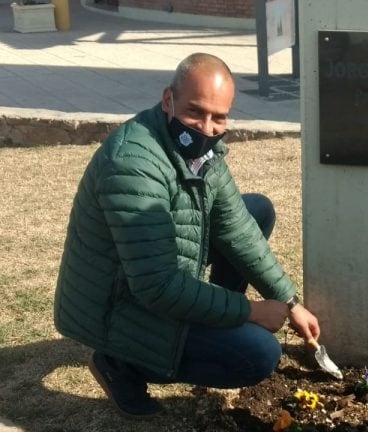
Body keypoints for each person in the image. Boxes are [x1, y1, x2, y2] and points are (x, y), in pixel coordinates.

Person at [53, 52, 320, 419]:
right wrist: (250, 312)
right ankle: (122, 364)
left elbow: (238, 227)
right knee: (258, 354)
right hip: (119, 304)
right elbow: (156, 285)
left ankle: (205, 322)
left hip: (157, 275)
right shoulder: (133, 164)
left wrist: (289, 301)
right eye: (195, 112)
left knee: (256, 210)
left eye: (219, 117)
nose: (206, 128)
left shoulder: (202, 152)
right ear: (168, 100)